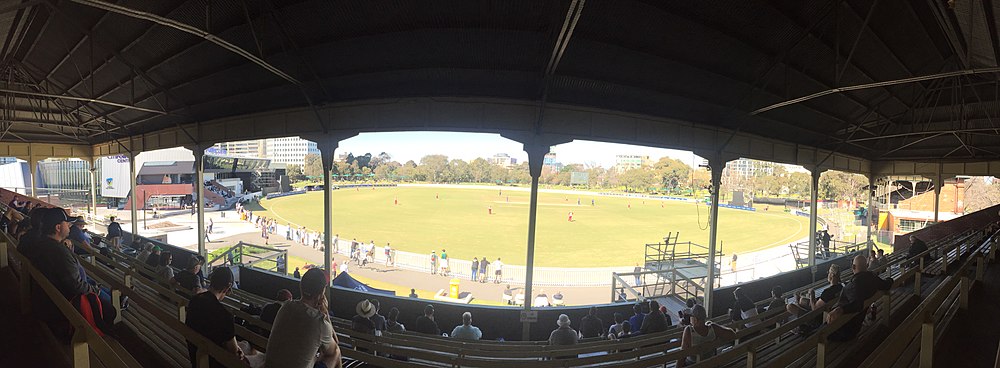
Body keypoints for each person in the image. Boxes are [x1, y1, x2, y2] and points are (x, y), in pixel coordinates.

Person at [264, 268, 342, 368]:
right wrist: (325, 313)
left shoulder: (286, 306)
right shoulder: (319, 323)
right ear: (322, 292)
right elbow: (335, 345)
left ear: (301, 287)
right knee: (336, 353)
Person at [185, 267, 244, 368]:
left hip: (195, 357)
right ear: (228, 286)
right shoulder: (225, 316)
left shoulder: (194, 300)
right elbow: (234, 352)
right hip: (214, 363)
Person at [826, 255, 892, 341]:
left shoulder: (853, 285)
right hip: (854, 326)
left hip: (842, 330)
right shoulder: (872, 278)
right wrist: (890, 279)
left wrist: (840, 310)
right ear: (867, 266)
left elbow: (857, 304)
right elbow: (886, 285)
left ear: (853, 267)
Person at [787, 264, 843, 333]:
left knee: (789, 307)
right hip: (827, 310)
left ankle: (803, 324)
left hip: (819, 319)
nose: (827, 274)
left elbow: (815, 310)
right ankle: (798, 301)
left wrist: (812, 294)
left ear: (832, 275)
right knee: (802, 300)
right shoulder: (841, 287)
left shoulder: (827, 292)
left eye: (828, 272)